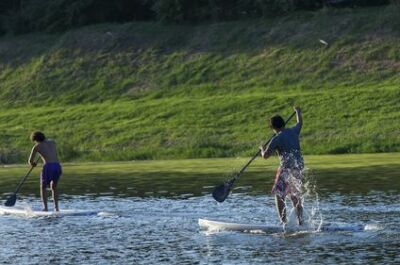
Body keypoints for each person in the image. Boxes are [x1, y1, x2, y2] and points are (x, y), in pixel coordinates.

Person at [259, 107, 304, 225]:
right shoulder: (294, 131)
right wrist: (298, 112)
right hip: (298, 167)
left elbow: (266, 156)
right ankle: (301, 222)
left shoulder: (276, 139)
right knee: (295, 196)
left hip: (286, 168)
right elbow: (300, 123)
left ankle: (283, 223)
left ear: (273, 128)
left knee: (279, 195)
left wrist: (262, 150)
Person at [28, 131, 62, 211]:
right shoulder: (52, 142)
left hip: (48, 167)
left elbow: (30, 161)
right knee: (54, 187)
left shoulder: (36, 147)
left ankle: (45, 208)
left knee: (43, 187)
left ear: (35, 140)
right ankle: (56, 208)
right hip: (57, 166)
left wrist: (33, 164)